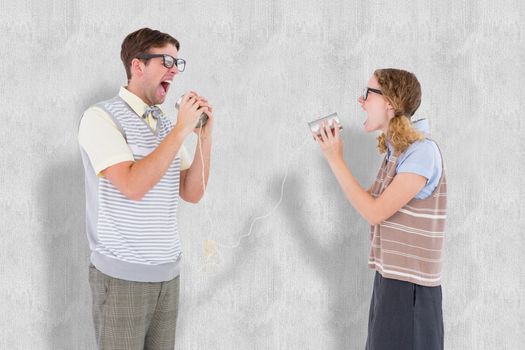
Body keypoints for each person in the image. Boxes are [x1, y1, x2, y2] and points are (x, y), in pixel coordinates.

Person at [78, 27, 214, 349]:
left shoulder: (166, 125)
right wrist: (181, 132)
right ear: (137, 66)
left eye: (177, 64)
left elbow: (192, 192)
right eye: (166, 60)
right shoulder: (100, 118)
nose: (174, 71)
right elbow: (132, 186)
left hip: (168, 277)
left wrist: (204, 137)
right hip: (121, 278)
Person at [314, 68, 446, 350]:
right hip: (390, 283)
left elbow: (374, 212)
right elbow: (369, 204)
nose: (361, 101)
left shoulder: (422, 151)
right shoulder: (396, 153)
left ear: (389, 103)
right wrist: (333, 156)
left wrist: (336, 159)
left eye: (368, 94)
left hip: (411, 290)